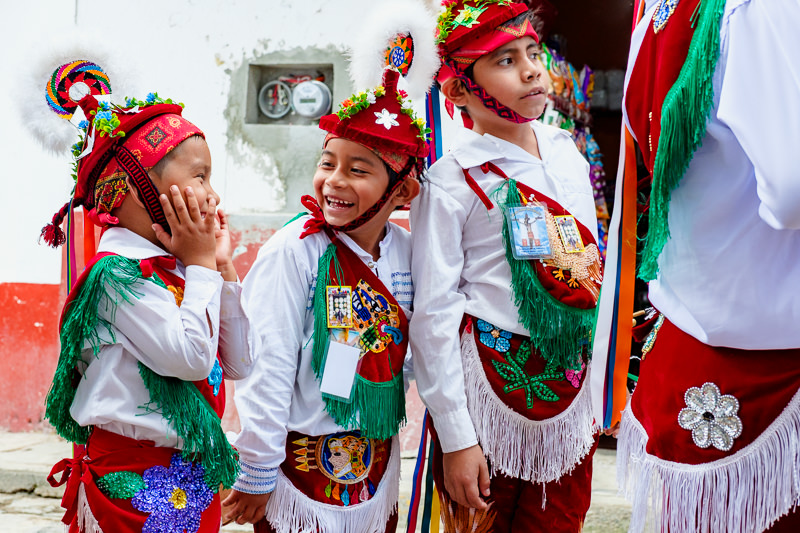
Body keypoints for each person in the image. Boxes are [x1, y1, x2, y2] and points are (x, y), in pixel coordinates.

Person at [409, 1, 604, 531]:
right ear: (457, 90)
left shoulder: (567, 152)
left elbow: (590, 274)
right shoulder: (451, 183)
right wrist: (456, 439)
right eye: (505, 60)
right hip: (491, 403)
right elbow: (432, 316)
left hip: (571, 395)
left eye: (533, 52)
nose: (532, 69)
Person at [39, 61, 255, 533]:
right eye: (200, 177)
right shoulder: (118, 276)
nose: (212, 195)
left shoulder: (179, 270)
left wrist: (220, 268)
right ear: (140, 193)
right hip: (134, 483)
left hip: (188, 479)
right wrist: (199, 266)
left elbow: (239, 363)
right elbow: (194, 360)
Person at [608, 1, 800, 532]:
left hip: (692, 336)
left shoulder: (658, 12)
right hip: (773, 355)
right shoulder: (762, 10)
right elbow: (791, 192)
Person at [221, 67, 427, 533]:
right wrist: (257, 467)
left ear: (402, 191)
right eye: (327, 162)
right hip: (298, 466)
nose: (333, 181)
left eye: (358, 170)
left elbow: (416, 350)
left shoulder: (408, 253)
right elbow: (266, 365)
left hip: (375, 465)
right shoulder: (294, 250)